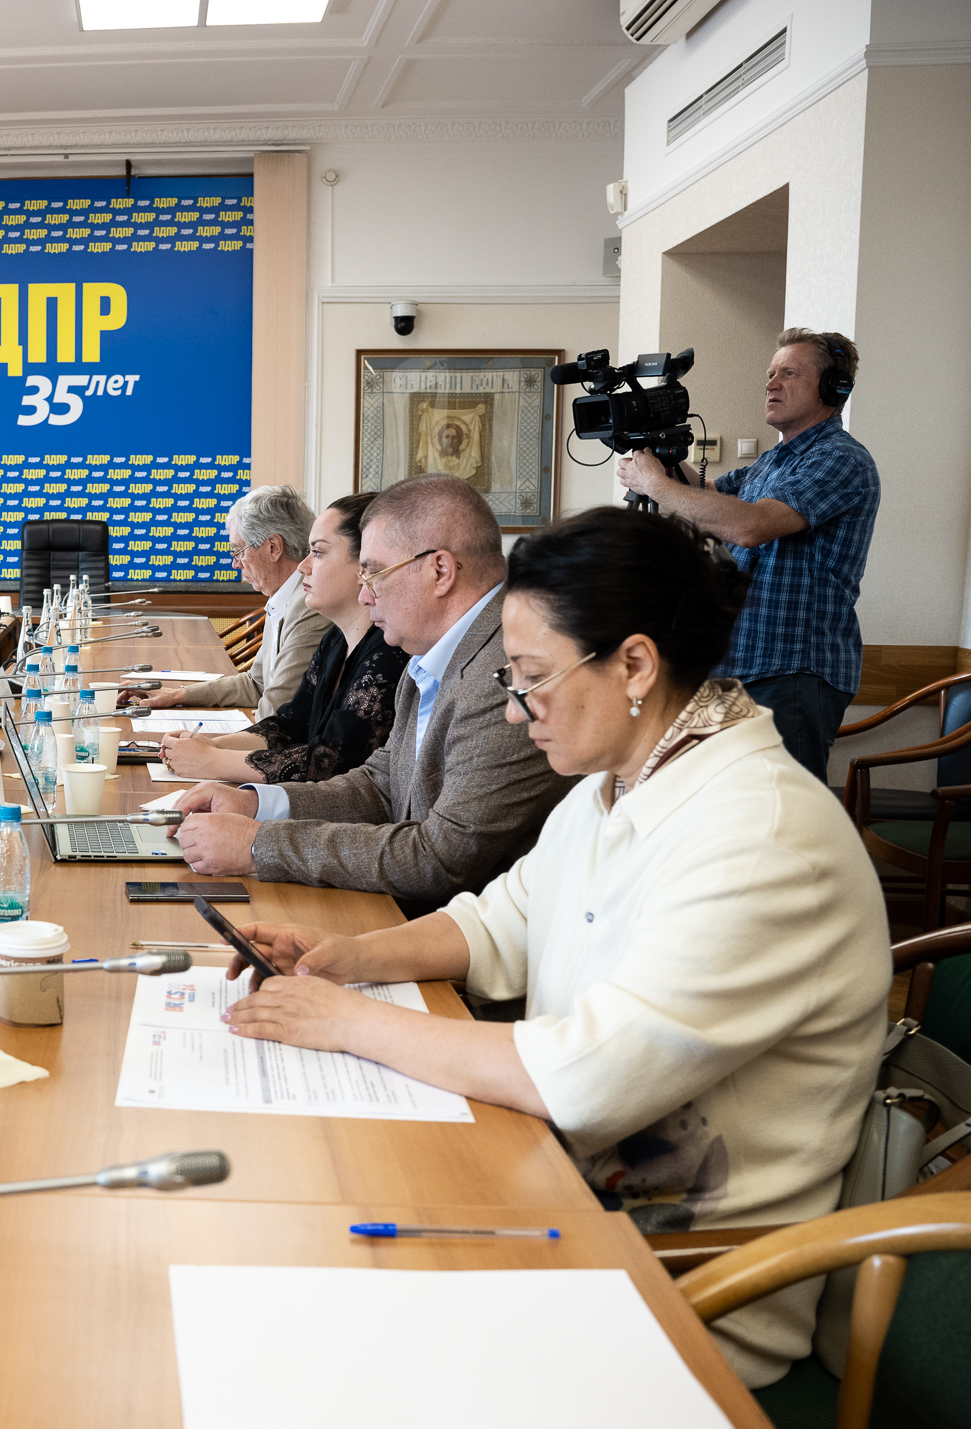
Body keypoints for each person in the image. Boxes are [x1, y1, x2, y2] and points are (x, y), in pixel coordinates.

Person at [215, 507, 888, 1389]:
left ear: (635, 664)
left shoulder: (760, 836)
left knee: (301, 1333)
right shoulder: (620, 783)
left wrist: (344, 1020)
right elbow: (499, 921)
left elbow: (584, 1076)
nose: (511, 707)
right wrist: (348, 955)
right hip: (558, 1201)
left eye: (531, 678)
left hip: (681, 1291)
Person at [174, 475, 574, 916]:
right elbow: (381, 785)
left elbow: (440, 858)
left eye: (374, 573)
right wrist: (254, 803)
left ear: (440, 571)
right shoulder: (429, 653)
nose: (364, 594)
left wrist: (259, 843)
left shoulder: (500, 672)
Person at [616, 328, 875, 781]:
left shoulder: (840, 458)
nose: (771, 384)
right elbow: (708, 496)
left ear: (833, 387)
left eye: (789, 373)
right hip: (736, 664)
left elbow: (750, 526)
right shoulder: (773, 461)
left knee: (781, 809)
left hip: (791, 668)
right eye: (771, 374)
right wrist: (658, 455)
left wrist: (654, 485)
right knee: (726, 801)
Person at [159, 493, 407, 786]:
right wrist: (208, 746)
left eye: (318, 552)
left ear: (364, 564)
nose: (303, 566)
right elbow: (289, 726)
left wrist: (212, 760)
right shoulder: (334, 641)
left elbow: (330, 762)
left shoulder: (389, 651)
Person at [131, 484, 328, 720]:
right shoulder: (281, 597)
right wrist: (179, 695)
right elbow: (255, 685)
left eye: (239, 551)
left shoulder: (309, 604)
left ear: (273, 547)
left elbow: (277, 710)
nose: (235, 563)